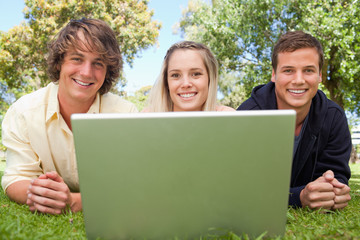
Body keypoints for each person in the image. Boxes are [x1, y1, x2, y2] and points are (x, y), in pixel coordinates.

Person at [1, 18, 138, 214]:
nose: (86, 72)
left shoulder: (126, 115)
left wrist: (74, 201)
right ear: (59, 63)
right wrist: (39, 193)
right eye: (77, 58)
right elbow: (16, 178)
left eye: (98, 63)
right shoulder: (23, 112)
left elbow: (132, 185)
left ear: (108, 71)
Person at [238, 31, 351, 210]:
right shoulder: (247, 116)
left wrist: (333, 190)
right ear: (274, 75)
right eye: (288, 70)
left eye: (308, 70)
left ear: (320, 75)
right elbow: (241, 188)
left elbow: (336, 176)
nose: (298, 80)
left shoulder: (333, 117)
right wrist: (298, 197)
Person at [144, 41, 235, 112]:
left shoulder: (229, 118)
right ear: (166, 82)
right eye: (175, 75)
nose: (186, 83)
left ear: (210, 79)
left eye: (196, 74)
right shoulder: (146, 119)